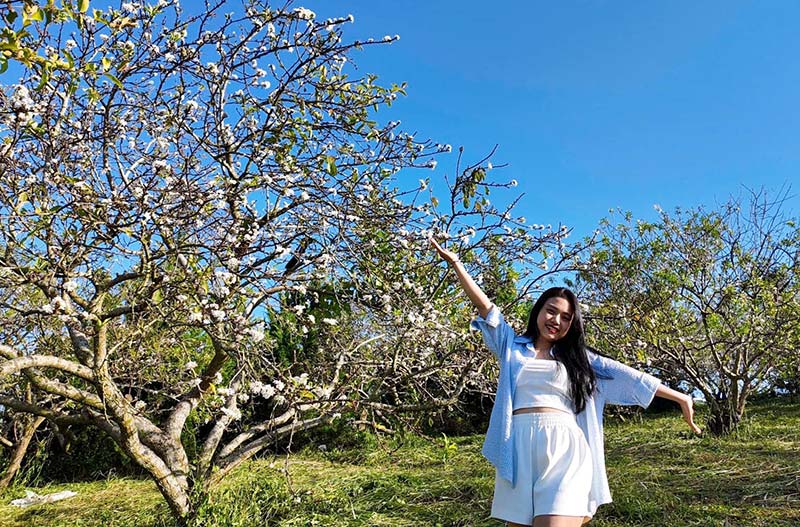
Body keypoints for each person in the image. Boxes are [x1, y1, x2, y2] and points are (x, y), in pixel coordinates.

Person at [430, 237, 701, 527]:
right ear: (538, 310)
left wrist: (680, 397)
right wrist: (457, 264)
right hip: (518, 446)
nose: (556, 320)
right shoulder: (512, 347)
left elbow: (629, 376)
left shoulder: (579, 359)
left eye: (566, 317)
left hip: (564, 445)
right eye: (551, 310)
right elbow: (488, 311)